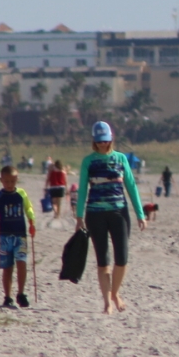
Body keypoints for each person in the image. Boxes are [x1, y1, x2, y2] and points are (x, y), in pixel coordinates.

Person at [74, 121, 148, 314]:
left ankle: (115, 293)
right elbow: (82, 189)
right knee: (103, 260)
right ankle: (107, 301)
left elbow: (131, 186)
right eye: (99, 141)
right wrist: (79, 216)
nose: (103, 144)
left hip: (119, 212)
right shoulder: (88, 161)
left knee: (122, 258)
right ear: (94, 141)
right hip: (95, 213)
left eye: (106, 141)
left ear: (111, 139)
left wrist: (140, 214)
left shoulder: (121, 159)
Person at [0, 165, 37, 309]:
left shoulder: (21, 194)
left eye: (12, 181)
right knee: (7, 267)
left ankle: (21, 293)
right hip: (4, 236)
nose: (10, 185)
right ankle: (7, 296)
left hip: (21, 235)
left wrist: (31, 220)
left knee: (22, 263)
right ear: (1, 180)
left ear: (17, 179)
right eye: (6, 182)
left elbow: (28, 207)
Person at [45, 158, 67, 224]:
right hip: (61, 187)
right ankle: (58, 215)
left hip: (53, 187)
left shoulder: (51, 171)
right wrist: (67, 188)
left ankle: (55, 213)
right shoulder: (63, 171)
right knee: (59, 203)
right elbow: (65, 181)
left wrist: (46, 187)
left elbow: (48, 179)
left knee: (54, 203)